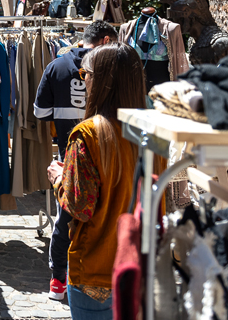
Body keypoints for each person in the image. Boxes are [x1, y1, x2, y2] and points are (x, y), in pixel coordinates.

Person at [46, 43, 147, 320]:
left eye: (86, 73)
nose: (83, 79)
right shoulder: (153, 131)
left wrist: (58, 179)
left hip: (97, 269)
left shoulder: (88, 135)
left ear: (102, 80)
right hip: (142, 266)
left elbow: (80, 207)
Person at [33, 20, 118, 301]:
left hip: (69, 154)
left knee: (65, 217)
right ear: (106, 40)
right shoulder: (115, 67)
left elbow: (40, 111)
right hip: (111, 153)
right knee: (105, 215)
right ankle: (102, 278)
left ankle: (58, 280)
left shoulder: (56, 66)